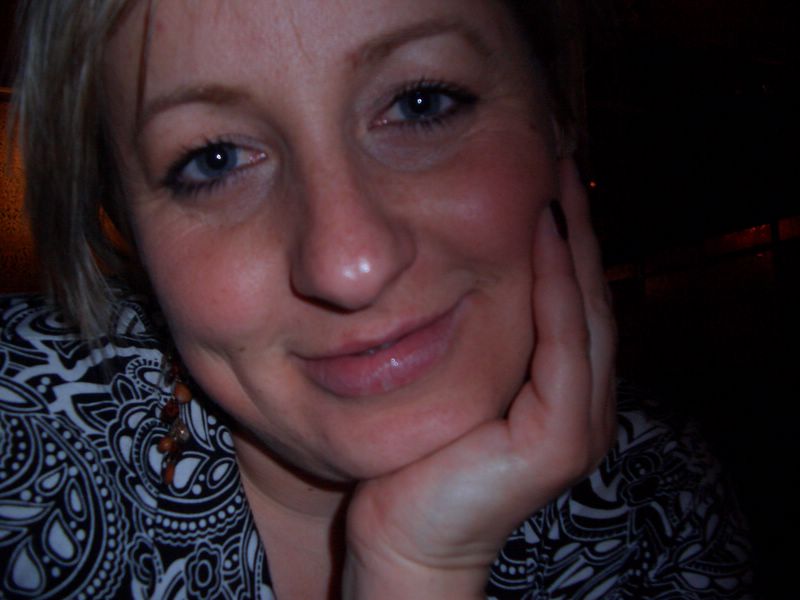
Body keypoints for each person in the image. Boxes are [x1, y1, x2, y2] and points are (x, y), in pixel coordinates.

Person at [0, 0, 752, 598]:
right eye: (216, 159)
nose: (348, 266)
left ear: (555, 116)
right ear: (125, 222)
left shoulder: (661, 505)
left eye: (421, 104)